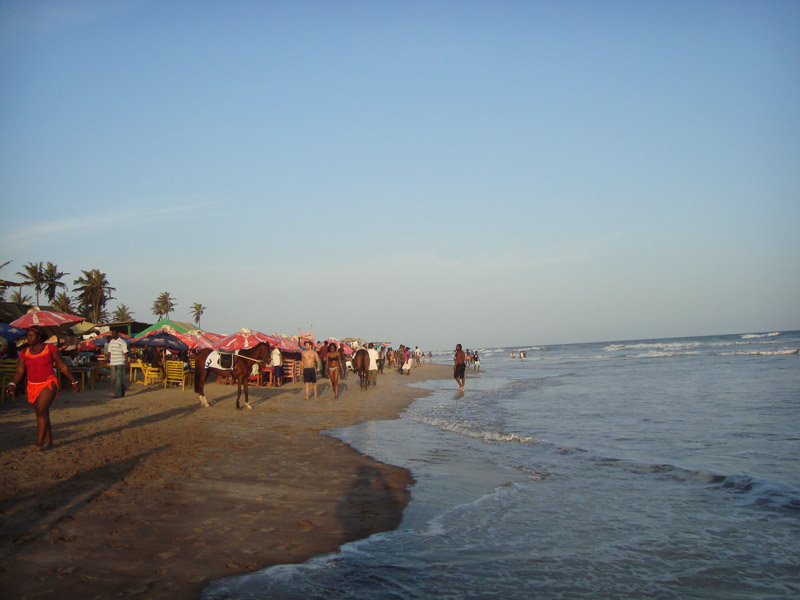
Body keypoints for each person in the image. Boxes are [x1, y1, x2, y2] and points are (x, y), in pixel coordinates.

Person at [6, 327, 79, 450]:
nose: (28, 339)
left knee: (41, 410)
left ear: (38, 337)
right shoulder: (25, 352)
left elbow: (62, 366)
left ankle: (39, 443)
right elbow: (20, 370)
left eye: (31, 336)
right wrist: (13, 383)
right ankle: (49, 441)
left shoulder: (51, 349)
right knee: (42, 413)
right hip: (32, 386)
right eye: (27, 336)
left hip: (48, 383)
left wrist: (73, 381)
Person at [105, 331, 128, 398]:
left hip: (120, 362)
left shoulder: (122, 342)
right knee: (115, 378)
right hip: (113, 362)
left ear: (117, 334)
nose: (112, 335)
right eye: (112, 334)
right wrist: (107, 360)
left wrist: (126, 362)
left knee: (118, 379)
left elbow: (125, 352)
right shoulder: (111, 342)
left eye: (113, 333)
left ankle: (117, 394)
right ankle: (123, 388)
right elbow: (109, 352)